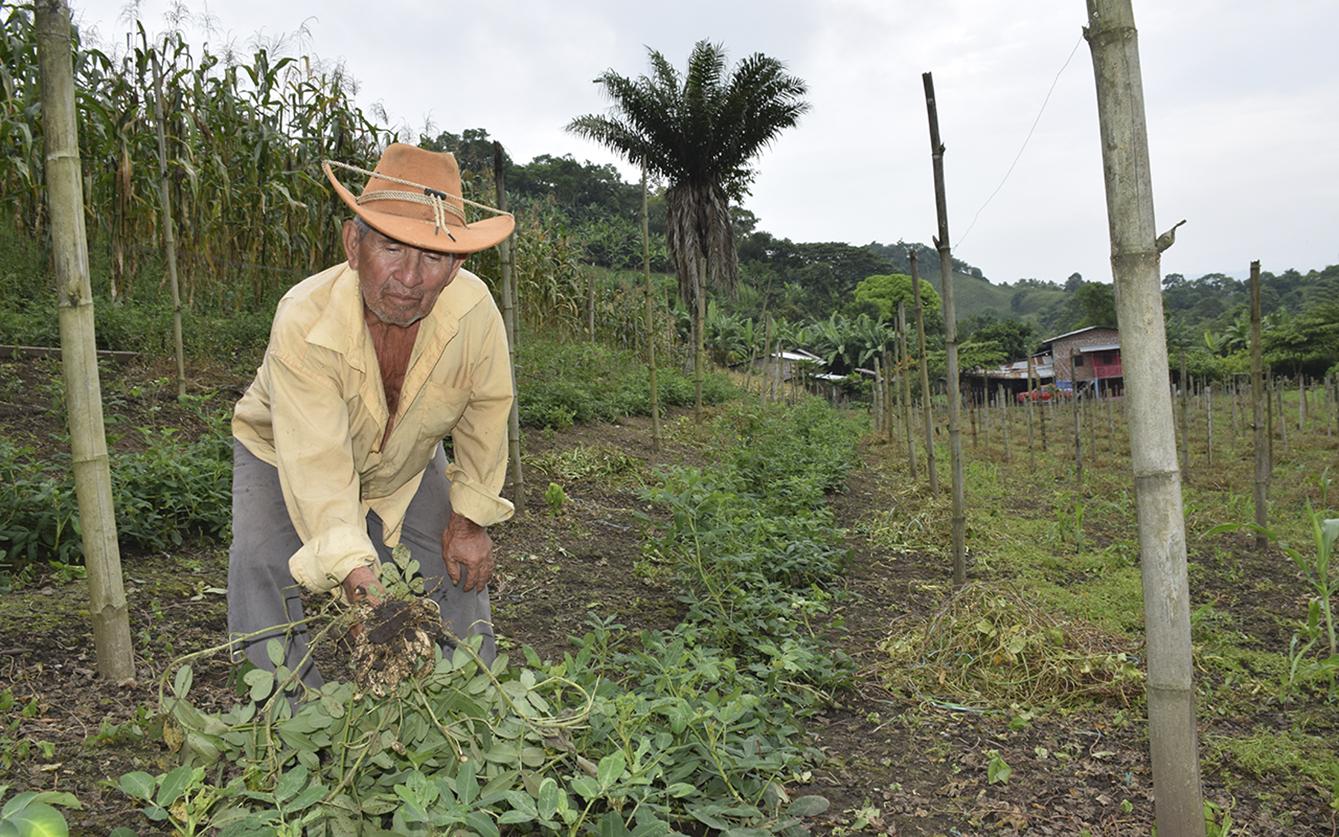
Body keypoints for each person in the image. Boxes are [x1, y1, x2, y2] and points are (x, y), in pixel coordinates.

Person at [227, 143, 516, 688]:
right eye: (391, 248)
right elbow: (318, 467)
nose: (410, 277)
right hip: (283, 453)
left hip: (405, 460)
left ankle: (472, 707)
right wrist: (356, 575)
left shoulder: (475, 312)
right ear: (353, 244)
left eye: (432, 257)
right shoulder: (303, 322)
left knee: (458, 567)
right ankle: (284, 729)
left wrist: (472, 518)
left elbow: (486, 412)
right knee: (264, 567)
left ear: (454, 266)